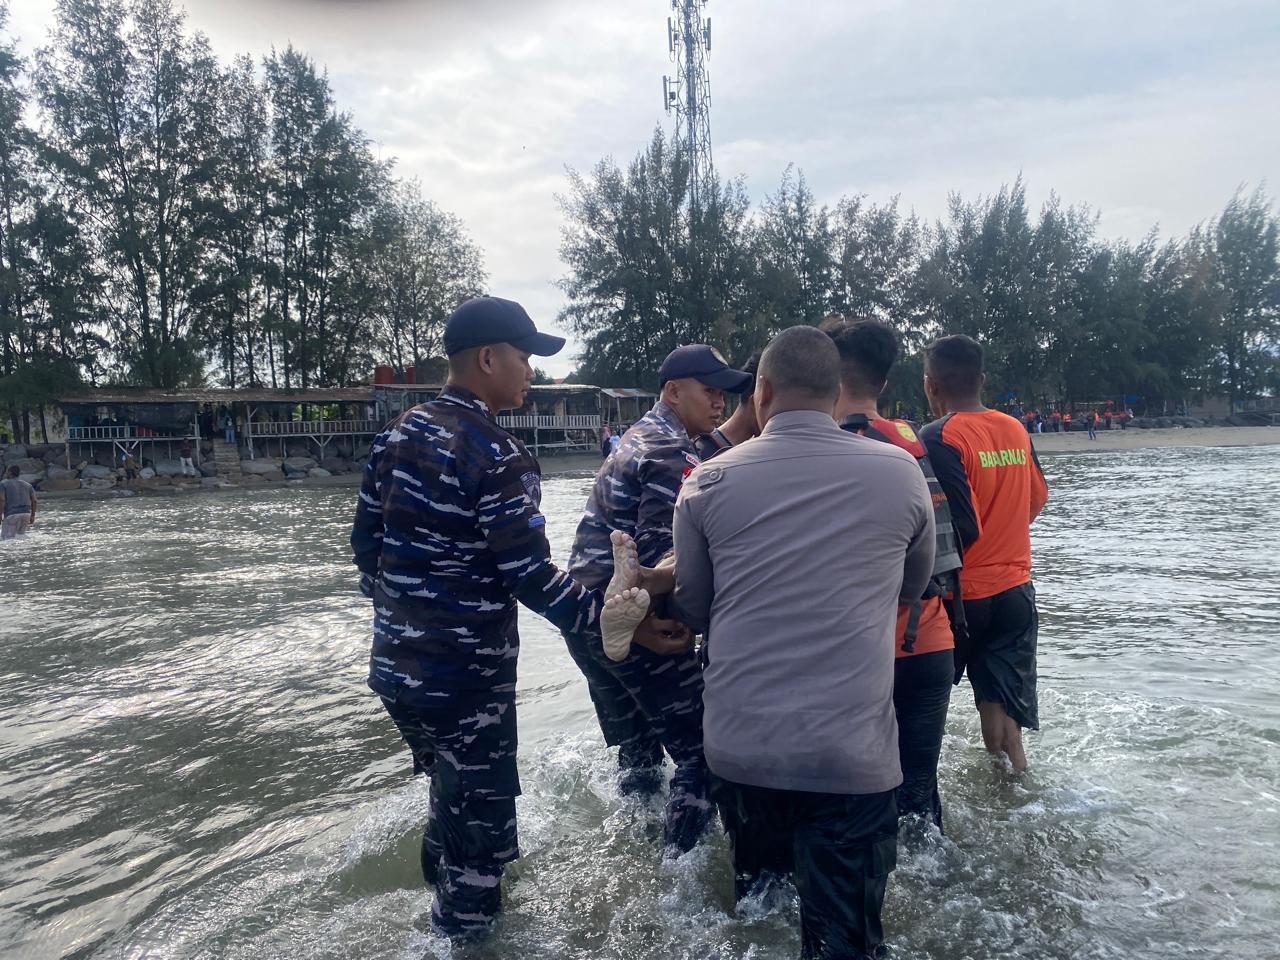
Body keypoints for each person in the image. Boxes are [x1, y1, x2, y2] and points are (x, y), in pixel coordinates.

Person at [351, 296, 636, 940]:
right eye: (525, 356)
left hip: (398, 675)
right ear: (488, 359)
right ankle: (461, 938)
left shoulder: (396, 435)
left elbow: (365, 548)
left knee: (448, 802)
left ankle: (435, 897)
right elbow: (530, 576)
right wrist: (611, 619)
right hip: (467, 685)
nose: (532, 370)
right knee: (481, 851)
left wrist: (411, 612)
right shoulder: (498, 454)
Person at [672, 326, 935, 958]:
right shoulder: (901, 473)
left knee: (758, 922)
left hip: (742, 754)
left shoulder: (705, 482)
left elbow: (696, 607)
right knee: (843, 942)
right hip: (850, 761)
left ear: (760, 391)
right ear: (839, 392)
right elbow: (912, 586)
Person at [564, 343, 752, 857]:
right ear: (672, 391)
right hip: (630, 618)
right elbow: (659, 546)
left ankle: (632, 854)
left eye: (723, 393)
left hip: (584, 620)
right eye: (708, 391)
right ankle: (679, 878)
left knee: (642, 753)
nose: (719, 403)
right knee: (701, 754)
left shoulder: (638, 437)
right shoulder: (672, 452)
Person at [826, 319, 960, 833]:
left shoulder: (842, 446)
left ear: (828, 381)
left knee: (862, 805)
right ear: (884, 384)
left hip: (870, 651)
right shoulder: (910, 438)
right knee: (921, 802)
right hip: (932, 639)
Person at [919, 335, 1049, 773]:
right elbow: (1037, 500)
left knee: (921, 711)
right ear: (983, 380)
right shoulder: (1014, 428)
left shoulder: (939, 436)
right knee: (1000, 710)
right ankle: (1014, 794)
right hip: (1016, 592)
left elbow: (959, 524)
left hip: (964, 598)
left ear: (930, 385)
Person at [695, 351, 762, 461]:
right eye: (709, 391)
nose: (720, 404)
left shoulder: (759, 455)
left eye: (721, 394)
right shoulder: (700, 457)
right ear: (757, 401)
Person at [0, 465, 37, 539]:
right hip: (26, 514)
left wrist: (0, 515)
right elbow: (34, 501)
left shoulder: (3, 484)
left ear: (10, 472)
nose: (6, 473)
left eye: (7, 471)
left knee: (6, 539)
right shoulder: (28, 485)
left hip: (12, 515)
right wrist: (32, 516)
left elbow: (2, 500)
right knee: (20, 537)